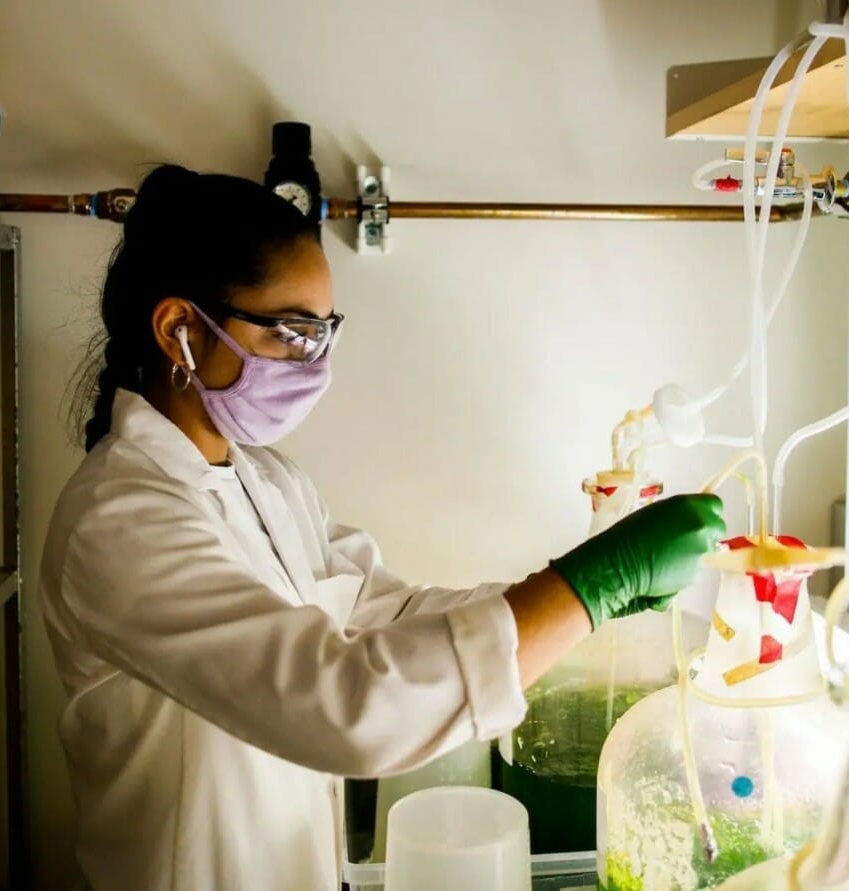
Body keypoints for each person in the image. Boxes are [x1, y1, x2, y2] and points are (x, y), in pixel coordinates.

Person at [41, 165, 726, 890]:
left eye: (324, 335)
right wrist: (594, 583)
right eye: (293, 335)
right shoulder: (117, 524)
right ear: (180, 328)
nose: (316, 367)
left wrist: (583, 596)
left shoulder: (267, 480)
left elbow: (386, 614)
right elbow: (346, 705)